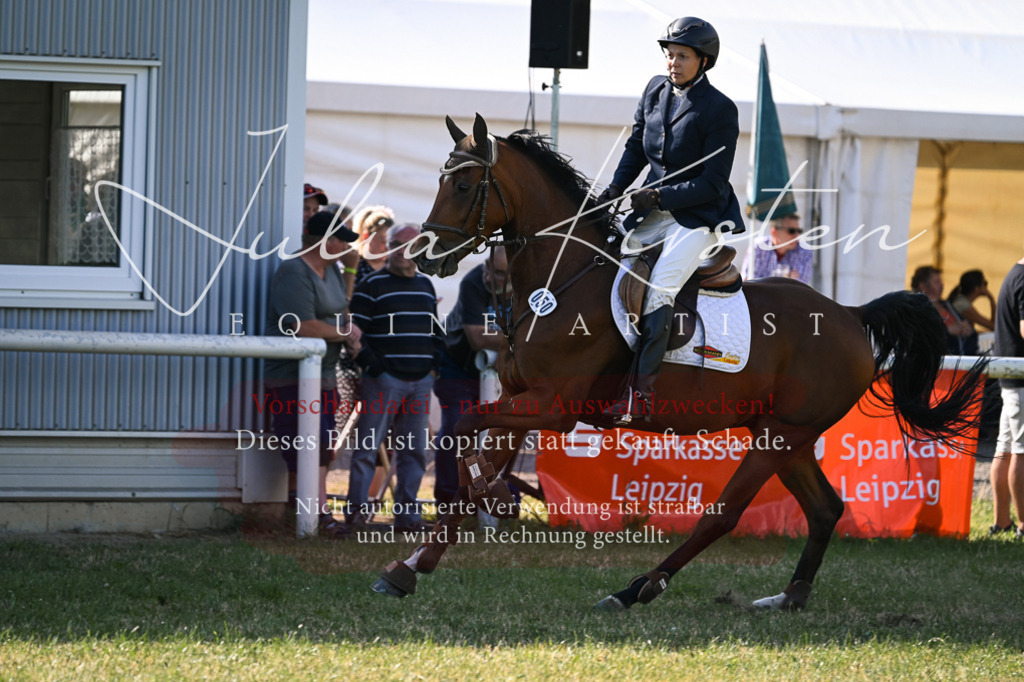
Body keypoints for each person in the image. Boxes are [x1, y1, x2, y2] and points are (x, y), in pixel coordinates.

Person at [596, 16, 746, 425]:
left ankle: (639, 398)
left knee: (659, 289)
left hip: (697, 217)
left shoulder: (720, 110)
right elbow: (635, 147)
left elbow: (713, 183)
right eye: (669, 54)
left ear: (703, 60)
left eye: (682, 55)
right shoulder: (654, 90)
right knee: (606, 263)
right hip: (652, 210)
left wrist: (660, 194)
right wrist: (613, 191)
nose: (672, 62)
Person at [263, 210, 361, 537]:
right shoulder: (293, 271)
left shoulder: (332, 271)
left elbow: (341, 312)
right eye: (341, 241)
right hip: (292, 375)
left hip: (325, 373)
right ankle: (315, 513)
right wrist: (345, 333)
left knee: (321, 446)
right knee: (303, 443)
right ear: (323, 241)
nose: (345, 248)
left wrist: (350, 329)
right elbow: (303, 326)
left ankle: (308, 509)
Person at [347, 223, 445, 532]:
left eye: (408, 245)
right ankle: (356, 517)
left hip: (420, 382)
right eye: (397, 244)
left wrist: (434, 366)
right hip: (384, 380)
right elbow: (353, 333)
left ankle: (408, 517)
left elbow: (435, 330)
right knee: (366, 449)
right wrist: (373, 367)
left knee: (414, 451)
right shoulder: (371, 284)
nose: (402, 251)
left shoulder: (426, 285)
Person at [433, 247, 510, 506]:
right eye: (496, 273)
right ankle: (448, 498)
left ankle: (494, 493)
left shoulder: (525, 281)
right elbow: (477, 339)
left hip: (498, 370)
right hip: (457, 367)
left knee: (504, 433)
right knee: (457, 430)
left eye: (506, 275)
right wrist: (520, 340)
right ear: (486, 269)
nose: (500, 280)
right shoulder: (473, 282)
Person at [991, 250, 1024, 539]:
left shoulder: (1015, 273)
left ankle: (1002, 521)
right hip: (1021, 381)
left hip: (1009, 378)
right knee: (1021, 453)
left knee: (1005, 449)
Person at [910, 265, 974, 355]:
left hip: (959, 361)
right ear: (922, 286)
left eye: (941, 281)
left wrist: (966, 327)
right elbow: (919, 334)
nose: (942, 285)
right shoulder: (916, 307)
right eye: (936, 282)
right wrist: (947, 330)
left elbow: (963, 325)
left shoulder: (946, 305)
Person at [741, 213, 813, 284]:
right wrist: (785, 280)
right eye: (791, 231)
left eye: (799, 231)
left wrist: (766, 281)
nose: (796, 235)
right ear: (774, 232)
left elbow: (800, 288)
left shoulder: (804, 251)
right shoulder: (759, 247)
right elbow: (748, 282)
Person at [349, 205, 396, 296]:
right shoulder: (355, 265)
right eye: (383, 241)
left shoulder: (396, 266)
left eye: (392, 243)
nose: (387, 248)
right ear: (367, 237)